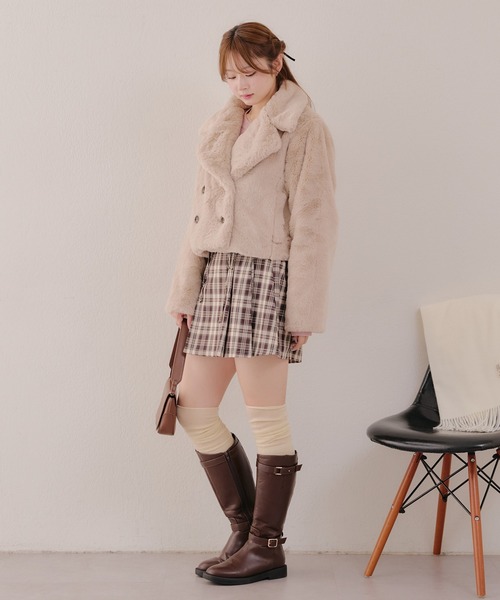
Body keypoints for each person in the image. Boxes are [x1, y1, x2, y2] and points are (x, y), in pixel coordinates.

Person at [165, 21, 337, 585]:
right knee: (193, 408)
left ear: (277, 61)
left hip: (267, 278)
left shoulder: (303, 126)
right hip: (216, 278)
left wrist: (302, 310)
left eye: (249, 71)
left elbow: (314, 221)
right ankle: (245, 531)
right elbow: (198, 214)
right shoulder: (222, 126)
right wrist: (185, 290)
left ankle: (268, 546)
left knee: (266, 415)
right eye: (230, 75)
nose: (240, 84)